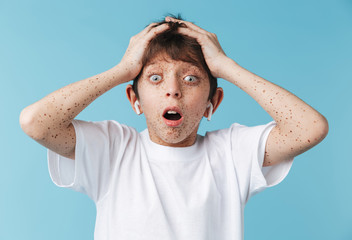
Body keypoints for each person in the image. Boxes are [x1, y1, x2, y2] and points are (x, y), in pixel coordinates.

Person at [19, 15, 329, 240]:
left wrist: (227, 67)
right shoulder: (112, 149)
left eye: (191, 78)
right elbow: (36, 122)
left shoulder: (232, 153)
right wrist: (122, 70)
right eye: (155, 78)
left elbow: (310, 127)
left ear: (212, 103)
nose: (173, 90)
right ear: (134, 99)